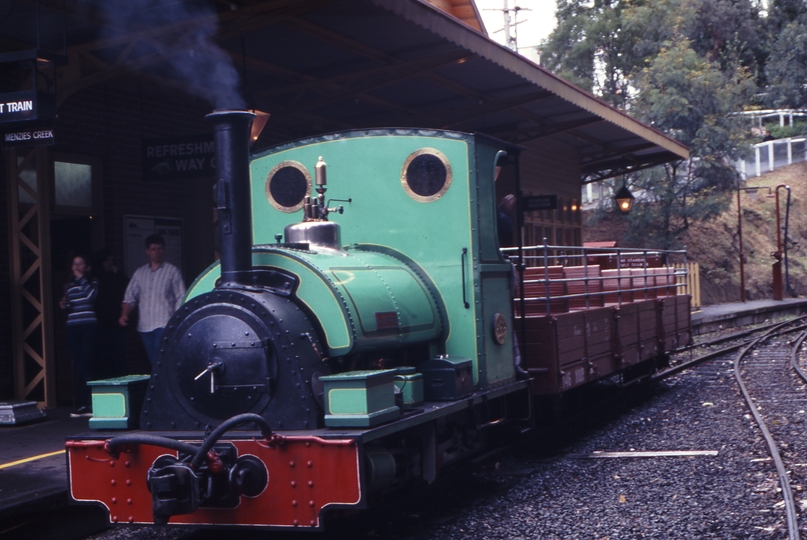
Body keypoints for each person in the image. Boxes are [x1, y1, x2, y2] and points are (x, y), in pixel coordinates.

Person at [119, 234, 185, 366]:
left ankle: (163, 385)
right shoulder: (140, 273)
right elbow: (130, 296)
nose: (157, 252)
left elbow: (180, 297)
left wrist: (177, 321)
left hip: (164, 323)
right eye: (153, 249)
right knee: (153, 361)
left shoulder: (172, 271)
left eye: (160, 248)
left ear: (164, 250)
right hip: (145, 325)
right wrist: (124, 314)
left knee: (159, 358)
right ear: (147, 251)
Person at [60, 254, 98, 417]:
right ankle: (83, 402)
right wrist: (64, 304)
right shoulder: (69, 285)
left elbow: (91, 297)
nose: (76, 267)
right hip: (73, 325)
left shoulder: (92, 282)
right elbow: (70, 304)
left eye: (80, 264)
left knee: (87, 361)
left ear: (86, 267)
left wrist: (82, 278)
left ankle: (89, 403)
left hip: (88, 324)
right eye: (74, 264)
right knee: (78, 363)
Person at [93, 248, 129, 379]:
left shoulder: (117, 277)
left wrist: (118, 273)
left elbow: (128, 288)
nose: (111, 263)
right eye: (108, 260)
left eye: (112, 260)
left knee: (119, 358)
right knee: (104, 359)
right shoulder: (96, 279)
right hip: (102, 325)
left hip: (116, 324)